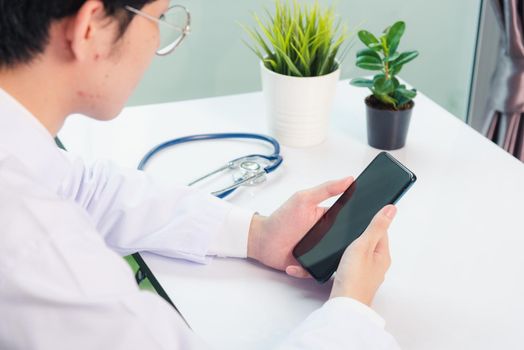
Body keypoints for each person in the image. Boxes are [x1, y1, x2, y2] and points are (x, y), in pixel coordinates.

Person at [0, 0, 401, 349]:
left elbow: (85, 189)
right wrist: (352, 308)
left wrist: (257, 235)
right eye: (157, 18)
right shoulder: (35, 250)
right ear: (91, 29)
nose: (158, 43)